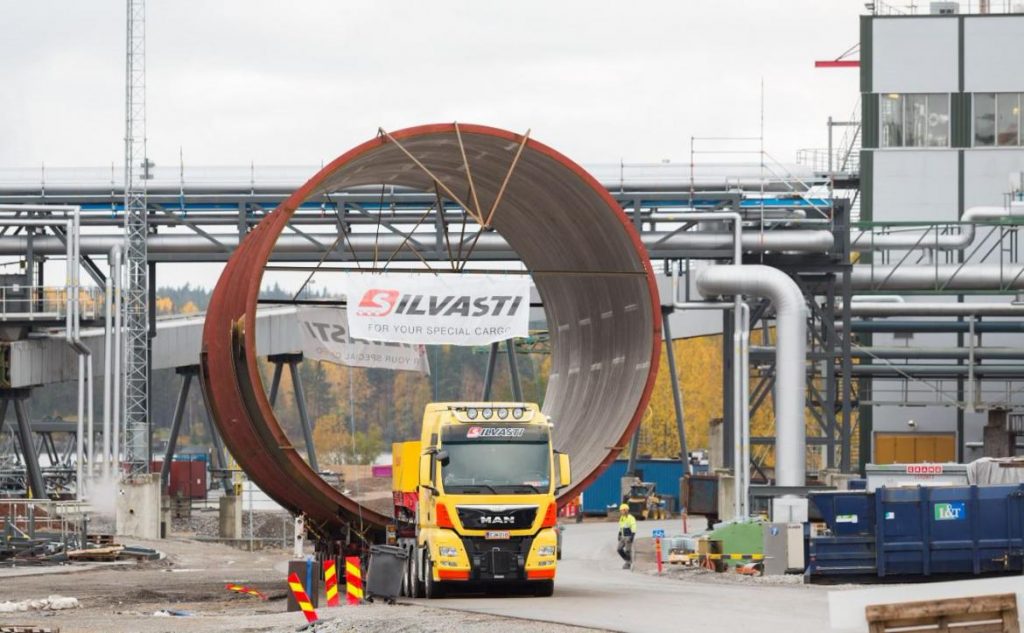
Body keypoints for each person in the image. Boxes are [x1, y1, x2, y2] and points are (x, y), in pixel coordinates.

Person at [616, 503, 637, 569]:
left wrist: (632, 535)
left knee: (628, 550)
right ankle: (628, 560)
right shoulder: (622, 518)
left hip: (628, 536)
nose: (621, 512)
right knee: (619, 549)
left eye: (622, 510)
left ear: (626, 510)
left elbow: (634, 526)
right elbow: (621, 526)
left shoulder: (631, 518)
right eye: (620, 510)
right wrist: (619, 534)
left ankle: (628, 563)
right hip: (623, 536)